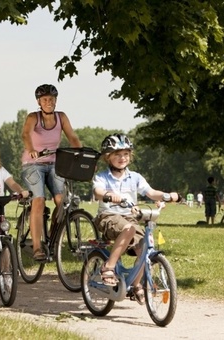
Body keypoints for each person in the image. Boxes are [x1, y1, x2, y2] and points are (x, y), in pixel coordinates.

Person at [92, 134, 181, 305]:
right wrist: (109, 195)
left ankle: (135, 284)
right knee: (129, 229)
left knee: (145, 245)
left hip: (129, 218)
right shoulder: (102, 177)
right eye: (117, 154)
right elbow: (98, 192)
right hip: (108, 216)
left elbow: (150, 192)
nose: (122, 158)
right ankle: (108, 267)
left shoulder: (135, 177)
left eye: (125, 154)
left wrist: (168, 196)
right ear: (107, 157)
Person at [20, 84, 82, 261]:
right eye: (45, 99)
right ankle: (37, 247)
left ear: (56, 101)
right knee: (38, 200)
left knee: (62, 201)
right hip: (33, 164)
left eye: (52, 99)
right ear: (39, 102)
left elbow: (72, 136)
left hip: (54, 163)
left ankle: (52, 235)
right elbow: (26, 134)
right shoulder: (34, 117)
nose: (49, 102)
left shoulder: (61, 117)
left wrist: (80, 152)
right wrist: (31, 149)